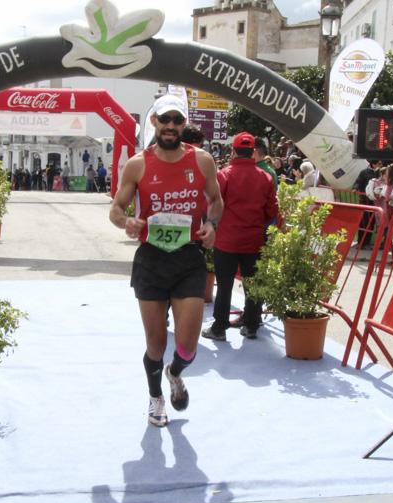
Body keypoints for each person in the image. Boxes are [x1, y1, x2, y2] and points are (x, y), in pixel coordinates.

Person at [108, 95, 223, 427]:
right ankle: (156, 396)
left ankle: (176, 373)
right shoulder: (137, 164)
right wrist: (125, 221)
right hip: (151, 260)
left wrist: (211, 224)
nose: (170, 125)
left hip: (189, 257)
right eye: (164, 119)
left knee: (187, 347)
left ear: (184, 124)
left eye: (177, 119)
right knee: (156, 344)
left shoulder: (202, 161)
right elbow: (116, 209)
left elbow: (215, 201)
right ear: (154, 122)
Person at [202, 132, 276, 343]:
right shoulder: (266, 177)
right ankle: (251, 325)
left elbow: (210, 205)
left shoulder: (224, 175)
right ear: (253, 152)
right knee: (252, 283)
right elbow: (272, 210)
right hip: (253, 239)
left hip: (227, 239)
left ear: (233, 151)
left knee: (224, 284)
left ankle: (219, 328)